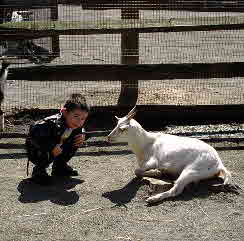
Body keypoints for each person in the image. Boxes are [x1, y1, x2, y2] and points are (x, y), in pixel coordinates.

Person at [25, 93, 90, 185]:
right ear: (64, 112)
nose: (79, 122)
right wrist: (51, 147)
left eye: (83, 118)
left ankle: (59, 167)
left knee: (76, 139)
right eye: (76, 116)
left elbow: (80, 129)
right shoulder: (51, 123)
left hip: (56, 148)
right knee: (48, 146)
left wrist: (83, 135)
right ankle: (39, 170)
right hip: (36, 150)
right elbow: (34, 133)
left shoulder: (75, 125)